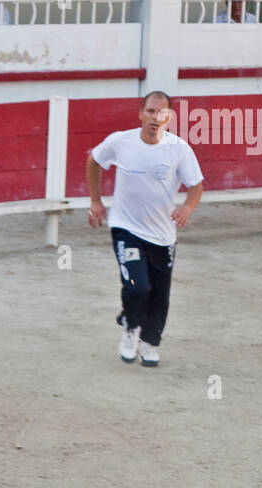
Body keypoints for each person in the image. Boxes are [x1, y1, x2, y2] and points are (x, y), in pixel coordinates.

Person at [86, 91, 204, 367]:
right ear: (140, 113)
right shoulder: (121, 142)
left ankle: (150, 343)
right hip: (126, 227)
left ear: (170, 118)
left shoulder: (179, 149)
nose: (155, 118)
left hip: (163, 235)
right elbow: (94, 160)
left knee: (159, 294)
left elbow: (196, 185)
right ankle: (130, 328)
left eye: (161, 113)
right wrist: (95, 200)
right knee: (138, 287)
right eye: (150, 111)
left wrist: (187, 207)